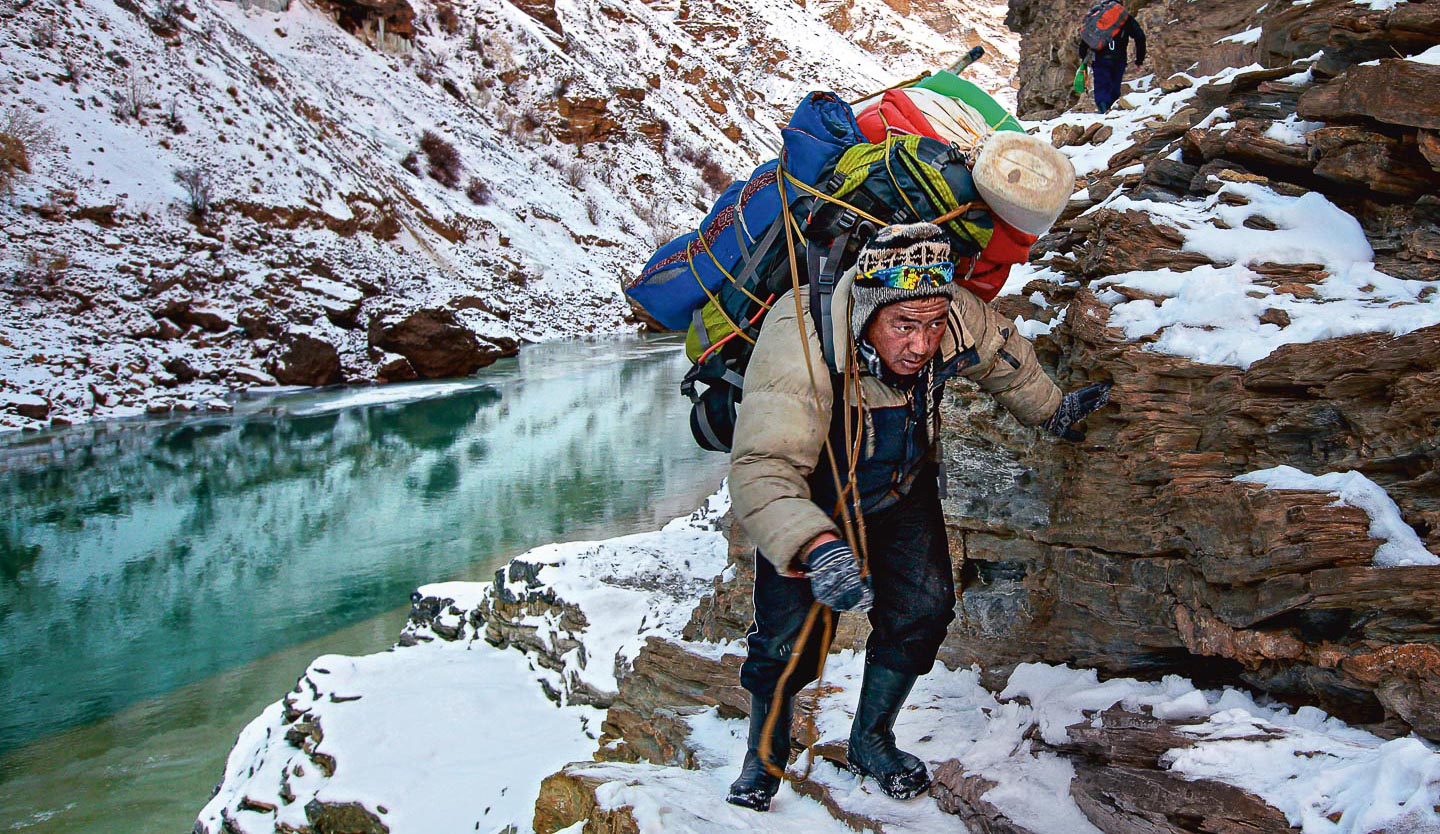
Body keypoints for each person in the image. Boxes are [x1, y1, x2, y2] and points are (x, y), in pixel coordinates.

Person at [724, 222, 1111, 811]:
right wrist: (811, 543)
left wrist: (1054, 410)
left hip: (902, 488)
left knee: (924, 610)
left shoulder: (952, 312)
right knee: (785, 640)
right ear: (868, 311)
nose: (922, 344)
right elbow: (763, 464)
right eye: (903, 325)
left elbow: (1004, 356)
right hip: (813, 495)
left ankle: (870, 740)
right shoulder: (803, 333)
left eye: (932, 325)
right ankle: (764, 758)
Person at [1079, 3, 1146, 114]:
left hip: (1100, 58)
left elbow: (1086, 37)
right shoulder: (1125, 17)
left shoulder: (1097, 17)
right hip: (1119, 58)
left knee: (1102, 84)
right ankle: (1112, 109)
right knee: (1115, 85)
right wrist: (1139, 59)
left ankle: (1103, 108)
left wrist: (1083, 56)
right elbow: (1140, 37)